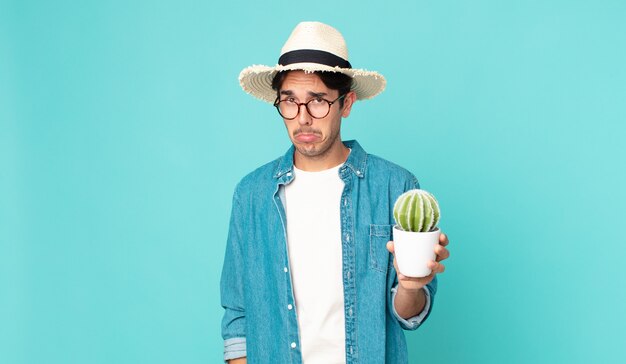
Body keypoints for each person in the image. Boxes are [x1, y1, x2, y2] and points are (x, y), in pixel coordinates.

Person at [220, 21, 450, 364]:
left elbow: (409, 315)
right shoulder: (252, 194)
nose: (303, 119)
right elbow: (237, 318)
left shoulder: (395, 187)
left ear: (346, 103)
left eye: (318, 101)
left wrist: (411, 285)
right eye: (290, 102)